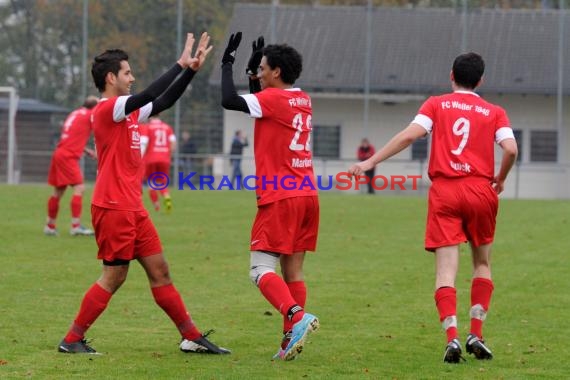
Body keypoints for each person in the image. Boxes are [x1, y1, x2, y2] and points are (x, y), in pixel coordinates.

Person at [58, 32, 230, 356]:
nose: (132, 77)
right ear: (111, 78)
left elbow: (163, 101)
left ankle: (191, 336)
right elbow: (151, 91)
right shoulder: (109, 108)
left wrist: (190, 70)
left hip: (132, 207)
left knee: (160, 270)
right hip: (113, 207)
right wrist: (179, 63)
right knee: (114, 276)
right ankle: (71, 339)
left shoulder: (129, 112)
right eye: (127, 72)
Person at [348, 52, 518, 364]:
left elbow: (410, 135)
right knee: (482, 263)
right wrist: (501, 179)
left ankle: (452, 338)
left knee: (445, 270)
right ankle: (476, 333)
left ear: (451, 75)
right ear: (481, 80)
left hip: (445, 192)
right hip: (481, 190)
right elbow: (511, 148)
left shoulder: (437, 104)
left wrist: (371, 161)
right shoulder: (494, 111)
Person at [221, 32, 320, 361]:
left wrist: (227, 64)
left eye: (263, 68)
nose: (259, 72)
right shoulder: (302, 98)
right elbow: (260, 106)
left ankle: (296, 315)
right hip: (306, 193)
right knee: (293, 273)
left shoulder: (272, 100)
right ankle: (289, 340)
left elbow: (230, 101)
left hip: (281, 197)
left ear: (276, 72)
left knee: (260, 270)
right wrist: (253, 75)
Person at [44, 95, 99, 236]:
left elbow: (74, 136)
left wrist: (87, 151)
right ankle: (76, 226)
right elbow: (101, 130)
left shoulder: (75, 113)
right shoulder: (90, 115)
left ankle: (50, 226)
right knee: (79, 188)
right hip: (68, 156)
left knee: (58, 191)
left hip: (60, 152)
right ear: (94, 107)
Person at [140, 116, 176, 213]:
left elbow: (145, 143)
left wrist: (142, 157)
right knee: (162, 182)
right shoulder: (167, 127)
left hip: (151, 159)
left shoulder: (148, 127)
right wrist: (168, 155)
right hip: (164, 158)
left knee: (152, 183)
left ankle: (156, 206)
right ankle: (166, 196)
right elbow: (173, 143)